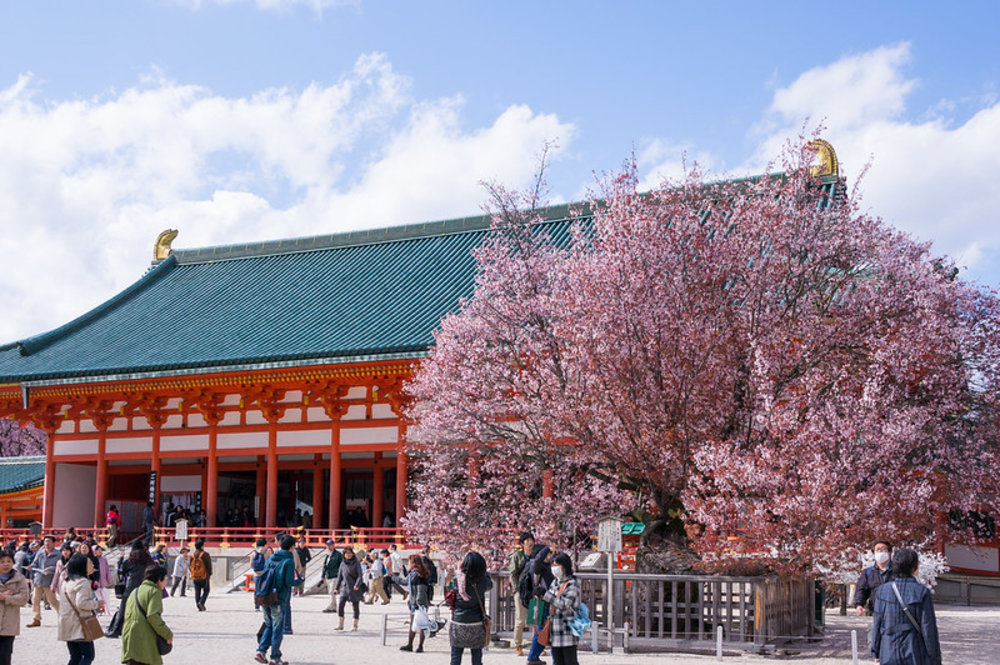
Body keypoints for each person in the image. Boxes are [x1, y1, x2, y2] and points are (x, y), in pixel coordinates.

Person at [871, 548, 941, 665]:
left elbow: (877, 623)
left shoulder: (882, 591)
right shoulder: (922, 592)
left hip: (888, 649)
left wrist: (876, 651)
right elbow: (928, 628)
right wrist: (934, 658)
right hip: (915, 650)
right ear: (914, 567)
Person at [255, 534, 299, 665]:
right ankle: (275, 657)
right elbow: (289, 581)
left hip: (266, 596)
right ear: (292, 547)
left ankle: (261, 651)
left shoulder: (270, 558)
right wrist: (300, 580)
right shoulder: (288, 561)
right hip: (278, 597)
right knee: (277, 628)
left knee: (269, 624)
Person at [57, 553, 104, 665]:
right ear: (82, 566)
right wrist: (97, 604)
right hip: (79, 624)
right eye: (89, 563)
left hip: (67, 622)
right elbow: (81, 603)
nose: (92, 565)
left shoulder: (67, 581)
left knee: (75, 656)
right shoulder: (83, 582)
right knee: (88, 656)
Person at [121, 565, 173, 665]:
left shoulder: (135, 591)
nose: (166, 582)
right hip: (144, 638)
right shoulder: (154, 591)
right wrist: (167, 634)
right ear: (159, 579)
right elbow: (153, 616)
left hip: (129, 636)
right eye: (165, 578)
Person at [449, 551, 493, 665]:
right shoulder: (483, 581)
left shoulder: (457, 579)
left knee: (456, 656)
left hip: (458, 623)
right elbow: (490, 585)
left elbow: (456, 581)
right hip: (476, 623)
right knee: (477, 656)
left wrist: (459, 569)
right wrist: (485, 573)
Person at [538, 553, 582, 665]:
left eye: (557, 565)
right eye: (552, 565)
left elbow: (564, 604)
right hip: (555, 629)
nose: (554, 568)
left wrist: (547, 595)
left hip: (567, 629)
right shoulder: (555, 582)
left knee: (570, 661)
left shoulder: (573, 584)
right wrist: (540, 595)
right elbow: (551, 601)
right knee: (557, 661)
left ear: (565, 566)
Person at [106, 540, 153, 638]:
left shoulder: (130, 560)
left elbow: (121, 571)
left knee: (123, 609)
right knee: (144, 610)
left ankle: (115, 630)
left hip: (131, 587)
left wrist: (120, 560)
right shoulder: (148, 560)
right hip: (145, 587)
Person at [525, 543, 554, 665]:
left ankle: (533, 657)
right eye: (547, 554)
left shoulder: (544, 566)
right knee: (545, 630)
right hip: (542, 602)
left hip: (545, 601)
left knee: (543, 630)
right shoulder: (536, 566)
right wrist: (548, 548)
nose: (549, 556)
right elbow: (538, 560)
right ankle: (534, 657)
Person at [0, 548, 29, 665]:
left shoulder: (19, 578)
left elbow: (24, 598)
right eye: (2, 561)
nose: (6, 564)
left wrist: (6, 598)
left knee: (5, 656)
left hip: (9, 624)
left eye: (9, 561)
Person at [508, 532, 534, 656]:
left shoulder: (536, 555)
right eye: (527, 540)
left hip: (533, 590)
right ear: (523, 543)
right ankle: (517, 645)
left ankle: (536, 645)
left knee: (535, 619)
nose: (530, 542)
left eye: (531, 540)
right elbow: (512, 574)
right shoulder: (517, 556)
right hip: (521, 589)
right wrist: (516, 589)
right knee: (520, 619)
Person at [399, 554, 432, 653]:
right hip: (414, 603)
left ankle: (420, 646)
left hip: (419, 604)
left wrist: (418, 603)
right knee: (414, 624)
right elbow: (404, 581)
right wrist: (393, 578)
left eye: (409, 561)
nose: (408, 563)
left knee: (421, 624)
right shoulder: (413, 574)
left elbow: (421, 590)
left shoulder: (419, 575)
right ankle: (410, 645)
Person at [26, 535, 61, 627]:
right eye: (45, 541)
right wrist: (31, 567)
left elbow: (60, 567)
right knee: (35, 599)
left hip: (50, 581)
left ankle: (63, 616)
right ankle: (36, 618)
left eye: (49, 541)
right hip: (39, 579)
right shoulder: (40, 553)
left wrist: (51, 568)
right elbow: (35, 563)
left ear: (54, 543)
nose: (47, 543)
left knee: (52, 601)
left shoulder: (58, 554)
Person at [854, 540, 894, 616]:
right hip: (876, 612)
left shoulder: (898, 572)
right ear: (874, 553)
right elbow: (861, 590)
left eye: (883, 549)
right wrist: (859, 605)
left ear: (889, 552)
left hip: (895, 612)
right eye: (877, 549)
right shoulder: (868, 572)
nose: (880, 551)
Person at [334, 547, 364, 631]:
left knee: (355, 606)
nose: (348, 554)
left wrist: (357, 584)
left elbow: (360, 575)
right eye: (347, 553)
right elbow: (340, 576)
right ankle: (340, 624)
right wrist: (336, 588)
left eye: (350, 553)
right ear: (344, 555)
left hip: (354, 588)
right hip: (344, 587)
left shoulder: (356, 563)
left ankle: (355, 625)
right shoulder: (342, 563)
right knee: (340, 605)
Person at [320, 539, 342, 613]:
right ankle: (333, 606)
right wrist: (323, 575)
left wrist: (339, 573)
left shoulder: (338, 555)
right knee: (330, 591)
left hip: (335, 575)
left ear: (333, 545)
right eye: (327, 545)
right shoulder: (327, 554)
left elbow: (341, 565)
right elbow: (324, 566)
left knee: (332, 591)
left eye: (330, 545)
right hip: (328, 575)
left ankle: (331, 607)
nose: (329, 547)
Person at [190, 538, 212, 611]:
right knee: (206, 590)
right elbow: (209, 565)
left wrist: (193, 573)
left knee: (197, 591)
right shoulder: (205, 554)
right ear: (202, 546)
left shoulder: (192, 555)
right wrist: (209, 573)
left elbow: (190, 566)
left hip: (195, 576)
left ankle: (198, 604)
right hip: (204, 575)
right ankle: (201, 602)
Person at [92, 545, 113, 614]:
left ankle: (100, 609)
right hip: (94, 582)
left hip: (102, 581)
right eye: (98, 550)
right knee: (95, 596)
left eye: (100, 550)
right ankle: (95, 611)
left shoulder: (104, 559)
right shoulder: (92, 559)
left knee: (101, 596)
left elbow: (107, 570)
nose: (100, 551)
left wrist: (109, 579)